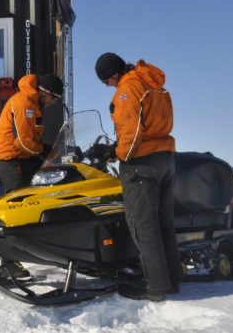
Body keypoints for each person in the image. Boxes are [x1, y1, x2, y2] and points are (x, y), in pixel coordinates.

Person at [95, 52, 182, 302]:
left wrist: (121, 155)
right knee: (163, 223)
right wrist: (116, 148)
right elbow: (150, 125)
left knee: (143, 225)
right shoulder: (155, 86)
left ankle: (154, 286)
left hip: (140, 164)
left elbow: (131, 131)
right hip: (165, 158)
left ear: (113, 74)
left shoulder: (128, 89)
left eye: (105, 81)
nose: (107, 86)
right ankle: (172, 279)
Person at [0, 73, 64, 194]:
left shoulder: (35, 106)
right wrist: (43, 153)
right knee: (20, 201)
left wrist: (50, 151)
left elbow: (32, 137)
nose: (53, 103)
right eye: (54, 98)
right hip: (12, 162)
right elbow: (23, 142)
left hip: (24, 158)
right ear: (44, 92)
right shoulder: (23, 103)